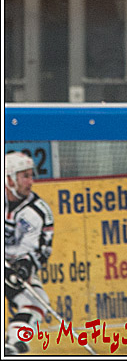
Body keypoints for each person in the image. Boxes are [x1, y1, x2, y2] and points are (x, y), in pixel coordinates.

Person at [4, 152, 55, 356]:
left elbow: (39, 250)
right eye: (24, 176)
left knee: (36, 301)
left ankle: (12, 346)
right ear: (9, 179)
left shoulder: (38, 212)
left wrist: (24, 267)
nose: (30, 181)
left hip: (12, 267)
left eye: (31, 175)